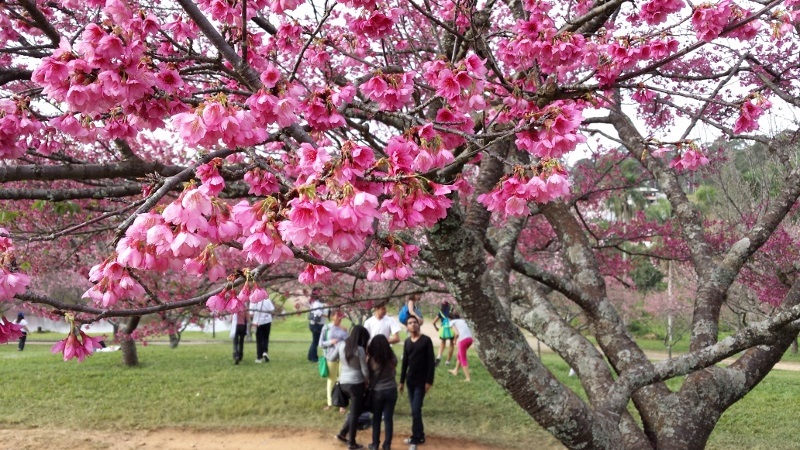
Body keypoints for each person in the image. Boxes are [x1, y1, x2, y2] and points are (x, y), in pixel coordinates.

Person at [399, 316, 435, 449]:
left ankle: (415, 439)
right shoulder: (407, 342)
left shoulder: (426, 340)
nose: (413, 324)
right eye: (410, 323)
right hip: (410, 381)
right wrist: (402, 381)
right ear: (407, 326)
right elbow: (405, 363)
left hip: (421, 382)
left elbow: (431, 362)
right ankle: (420, 435)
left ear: (418, 324)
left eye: (415, 322)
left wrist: (429, 381)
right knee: (415, 411)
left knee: (415, 410)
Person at [334, 325, 370, 450]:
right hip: (356, 384)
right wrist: (367, 382)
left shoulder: (341, 345)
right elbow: (364, 370)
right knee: (355, 414)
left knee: (356, 411)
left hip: (343, 382)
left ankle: (342, 434)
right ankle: (351, 443)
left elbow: (332, 357)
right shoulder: (359, 350)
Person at [367, 334, 398, 450]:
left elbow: (368, 375)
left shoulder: (372, 359)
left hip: (377, 391)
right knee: (388, 418)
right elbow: (395, 367)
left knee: (376, 418)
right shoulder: (392, 357)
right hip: (391, 389)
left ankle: (375, 444)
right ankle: (387, 445)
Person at [320, 310, 349, 413]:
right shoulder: (326, 328)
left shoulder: (344, 329)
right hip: (330, 356)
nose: (340, 318)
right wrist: (330, 342)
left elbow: (348, 342)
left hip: (342, 357)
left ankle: (342, 404)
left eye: (341, 316)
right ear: (332, 317)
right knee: (331, 380)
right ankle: (330, 403)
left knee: (342, 380)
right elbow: (321, 343)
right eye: (338, 316)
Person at [447, 312, 474, 382]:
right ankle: (455, 370)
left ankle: (468, 378)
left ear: (449, 318)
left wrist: (454, 340)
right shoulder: (462, 320)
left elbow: (456, 333)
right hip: (470, 339)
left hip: (463, 340)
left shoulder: (451, 322)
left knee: (463, 358)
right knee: (459, 354)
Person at [250, 294, 275, 363]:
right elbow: (272, 309)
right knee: (266, 338)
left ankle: (259, 357)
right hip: (267, 321)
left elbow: (251, 314)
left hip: (258, 323)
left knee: (259, 340)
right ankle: (265, 352)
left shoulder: (253, 301)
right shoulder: (267, 300)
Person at [307, 287, 328, 362]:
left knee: (314, 341)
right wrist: (326, 315)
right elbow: (317, 312)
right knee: (315, 341)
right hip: (316, 324)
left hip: (316, 324)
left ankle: (310, 356)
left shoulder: (315, 302)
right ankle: (313, 357)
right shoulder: (316, 303)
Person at [431, 302, 454, 367]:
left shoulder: (441, 312)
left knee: (442, 343)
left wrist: (436, 328)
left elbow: (433, 322)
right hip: (452, 329)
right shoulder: (452, 310)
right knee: (451, 344)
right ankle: (448, 361)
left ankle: (439, 356)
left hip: (443, 330)